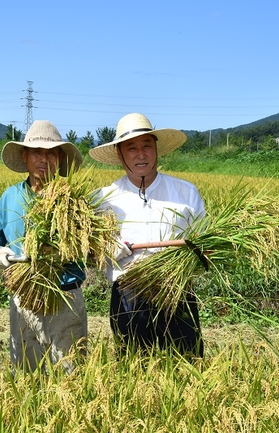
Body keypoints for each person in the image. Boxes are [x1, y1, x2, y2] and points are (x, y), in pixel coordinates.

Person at [89, 113, 205, 357]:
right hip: (128, 296)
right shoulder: (103, 199)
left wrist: (193, 255)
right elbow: (87, 250)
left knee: (186, 367)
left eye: (146, 146)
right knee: (133, 371)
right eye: (131, 148)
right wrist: (105, 250)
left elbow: (205, 244)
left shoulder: (186, 193)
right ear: (120, 155)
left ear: (156, 150)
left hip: (177, 294)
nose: (140, 155)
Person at [0, 120, 86, 372]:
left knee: (71, 375)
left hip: (66, 298)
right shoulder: (11, 197)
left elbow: (91, 244)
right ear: (24, 155)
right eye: (37, 152)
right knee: (27, 376)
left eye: (51, 153)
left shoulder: (73, 199)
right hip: (25, 297)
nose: (44, 159)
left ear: (60, 158)